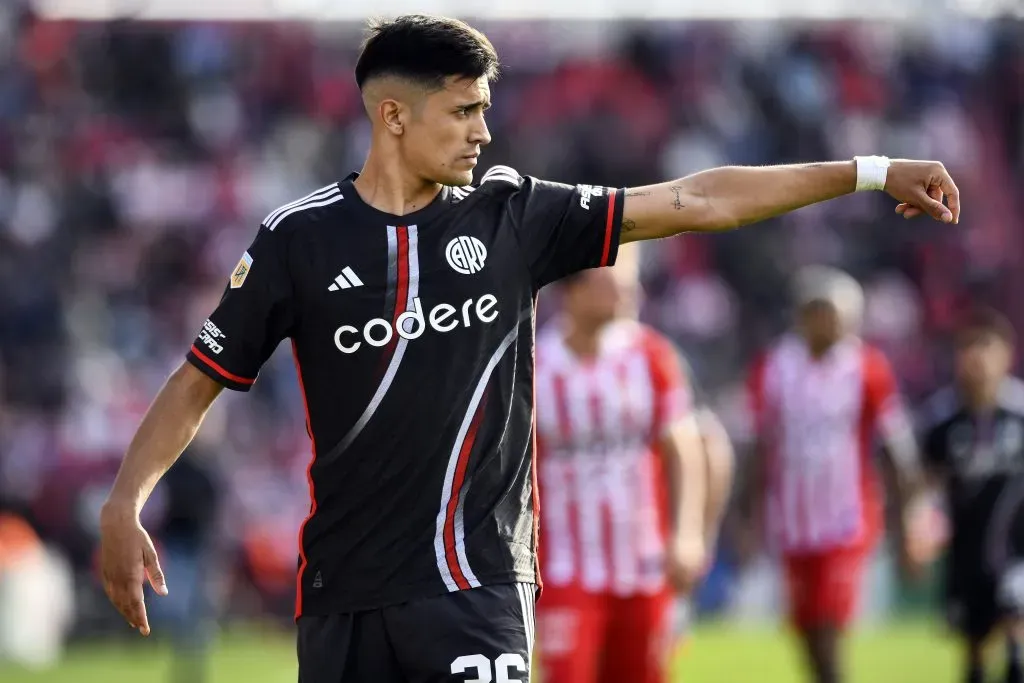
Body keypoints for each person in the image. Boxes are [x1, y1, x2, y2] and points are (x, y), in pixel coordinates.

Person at [97, 14, 960, 683]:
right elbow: (201, 378)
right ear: (393, 115)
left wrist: (873, 170)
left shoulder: (515, 212)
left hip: (477, 584)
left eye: (486, 110)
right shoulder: (298, 238)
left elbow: (697, 199)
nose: (483, 132)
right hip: (343, 593)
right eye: (464, 110)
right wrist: (125, 500)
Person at [532, 245, 732, 683]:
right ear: (573, 291)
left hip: (644, 561)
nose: (627, 292)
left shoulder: (651, 355)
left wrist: (686, 534)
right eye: (610, 283)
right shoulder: (532, 365)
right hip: (563, 565)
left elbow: (684, 447)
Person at [745, 265, 927, 683]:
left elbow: (897, 448)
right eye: (823, 313)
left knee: (828, 623)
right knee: (806, 627)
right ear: (802, 316)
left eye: (842, 316)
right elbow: (758, 444)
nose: (834, 325)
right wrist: (750, 518)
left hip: (846, 520)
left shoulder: (867, 368)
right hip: (790, 521)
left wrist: (909, 521)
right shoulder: (774, 366)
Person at [920, 307, 1024, 683]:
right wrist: (920, 531)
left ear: (1006, 354)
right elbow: (925, 487)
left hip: (1017, 551)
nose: (977, 358)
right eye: (968, 348)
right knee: (974, 652)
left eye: (986, 346)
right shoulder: (941, 420)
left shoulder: (1020, 414)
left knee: (1016, 639)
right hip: (966, 554)